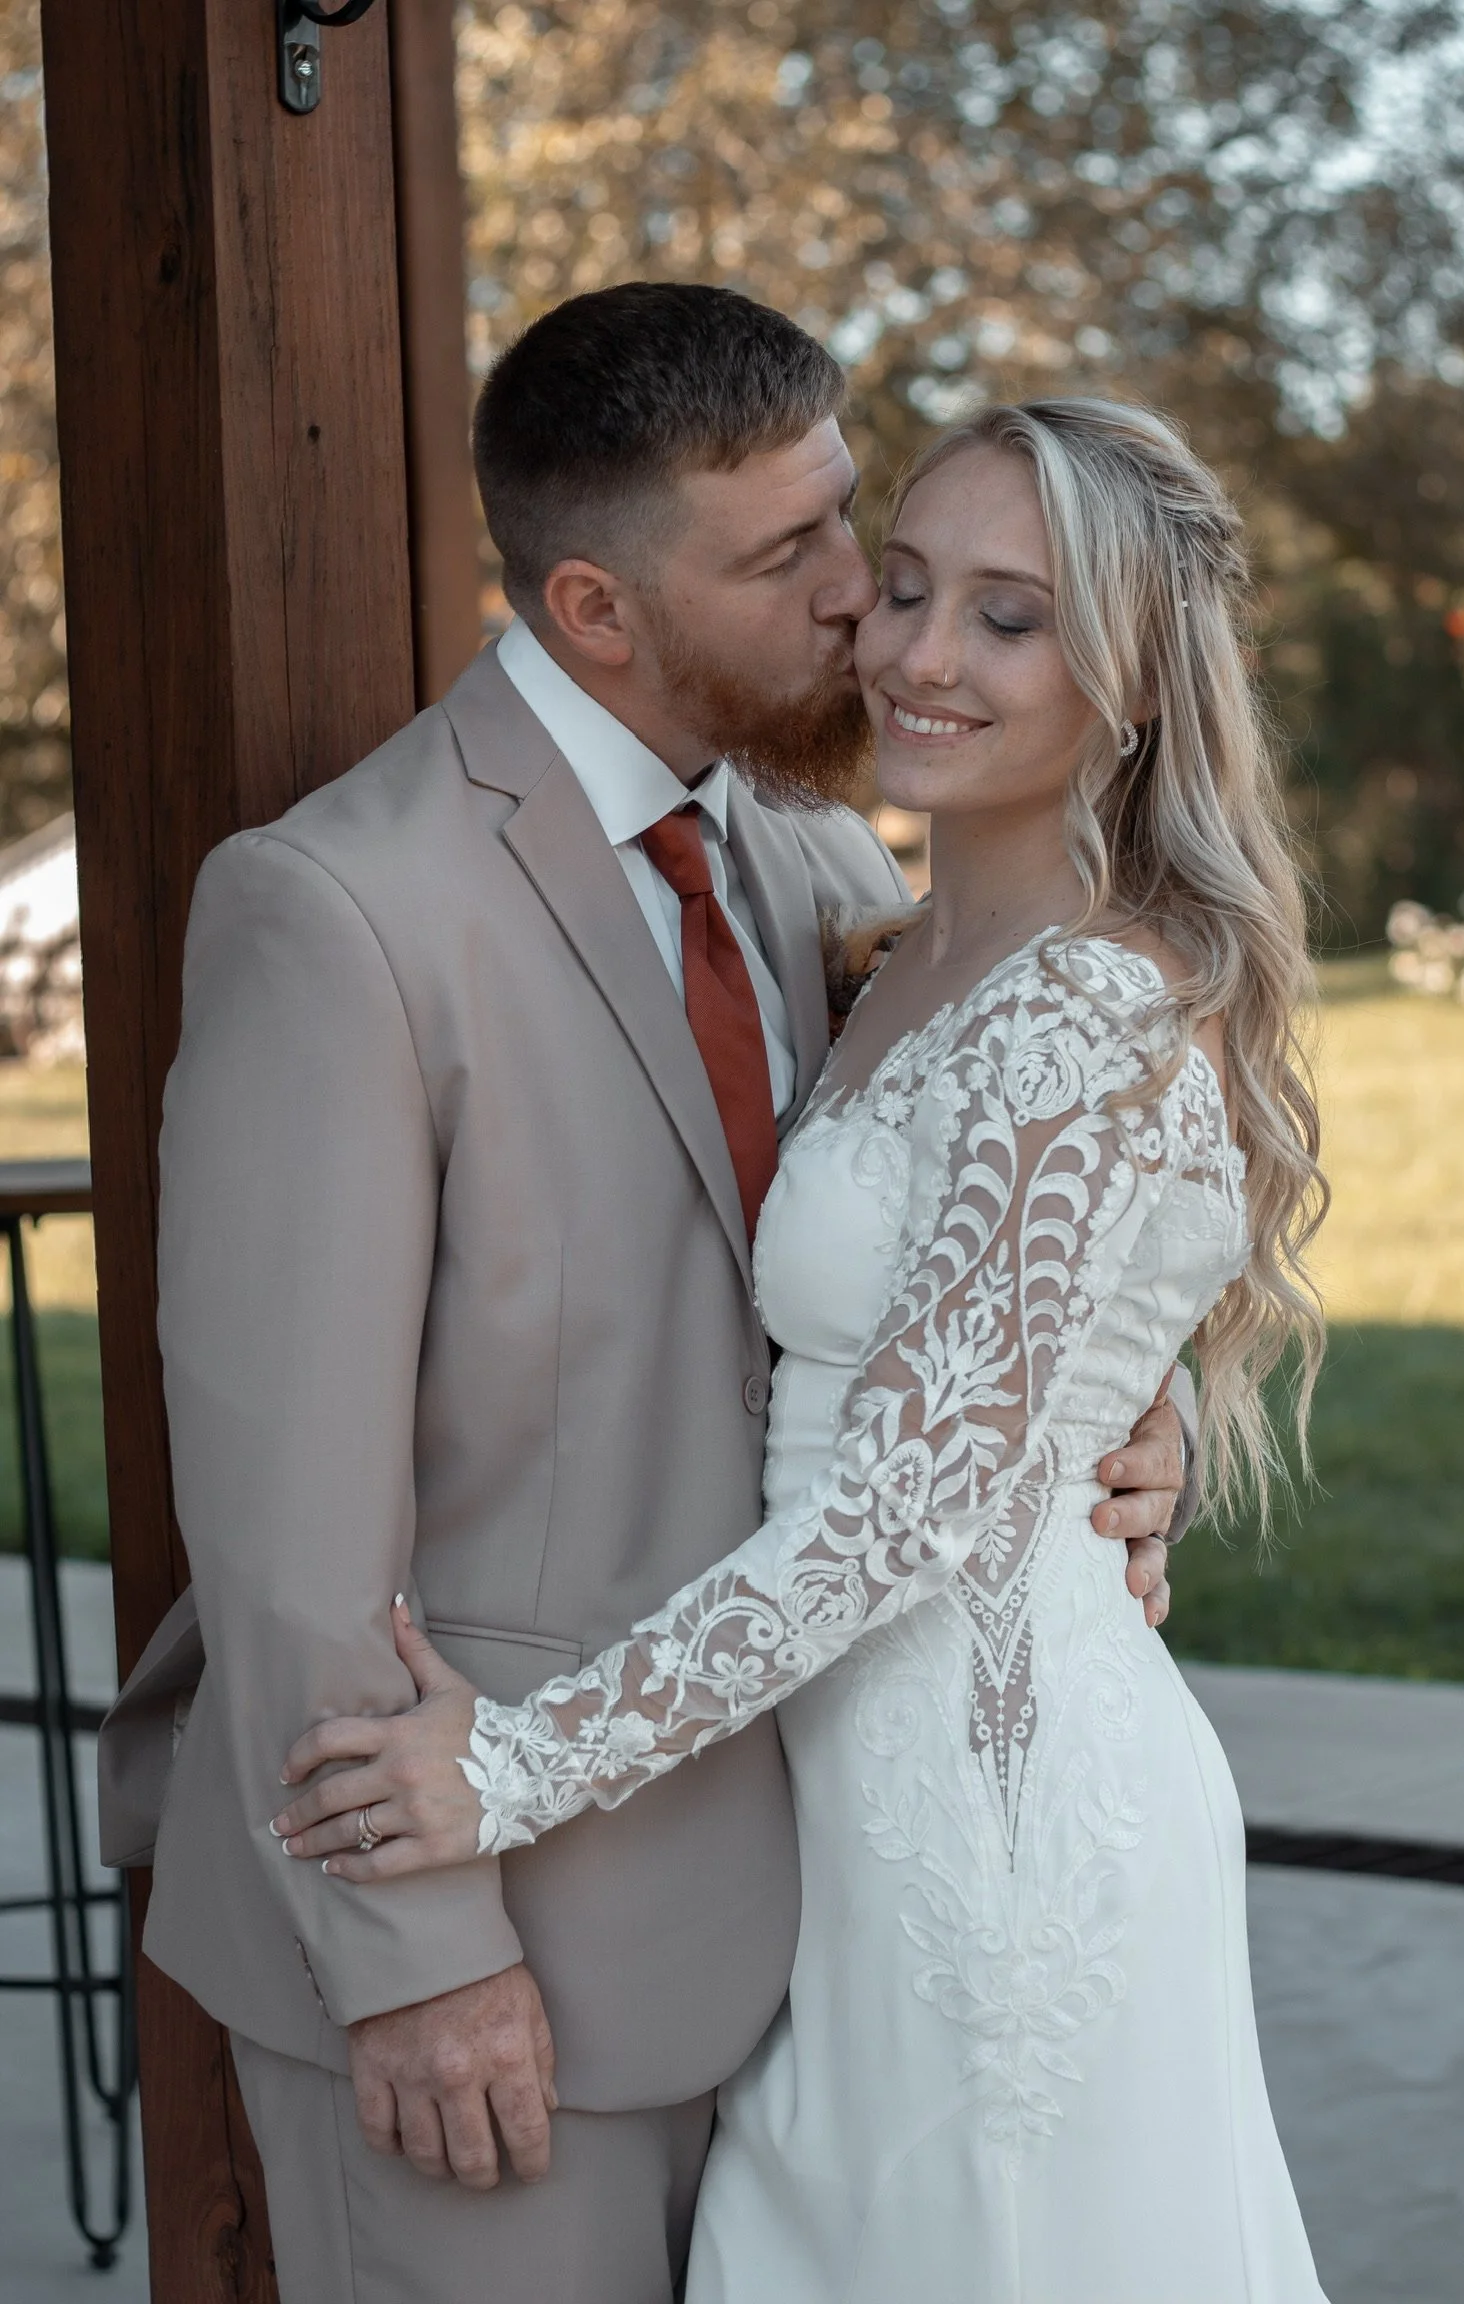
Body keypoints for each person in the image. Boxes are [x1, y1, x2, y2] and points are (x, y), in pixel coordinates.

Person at [97, 291, 1194, 2304]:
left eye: (846, 514)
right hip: (490, 1934)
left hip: (817, 1926)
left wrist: (1122, 1401)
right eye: (791, 559)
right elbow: (286, 1534)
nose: (864, 599)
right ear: (597, 608)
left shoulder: (821, 857)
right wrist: (414, 1961)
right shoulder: (341, 910)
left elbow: (979, 1221)